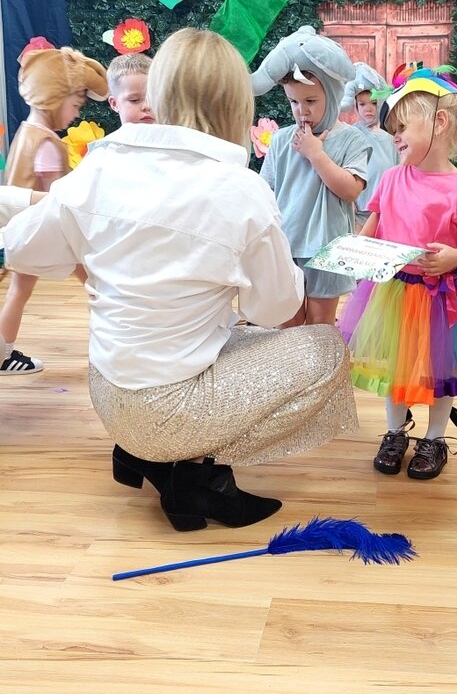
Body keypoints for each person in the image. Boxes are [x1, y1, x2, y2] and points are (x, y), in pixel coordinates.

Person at [4, 28, 358, 531]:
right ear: (235, 102)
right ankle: (195, 475)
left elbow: (22, 248)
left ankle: (153, 458)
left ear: (158, 91)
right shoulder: (240, 189)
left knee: (229, 335)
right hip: (167, 409)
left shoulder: (100, 164)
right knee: (325, 350)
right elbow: (277, 311)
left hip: (106, 389)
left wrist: (81, 221)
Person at [339, 66, 457, 480]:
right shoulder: (392, 179)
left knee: (440, 370)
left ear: (439, 123)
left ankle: (435, 438)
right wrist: (357, 251)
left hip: (440, 297)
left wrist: (452, 258)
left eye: (402, 127)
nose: (395, 136)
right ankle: (395, 432)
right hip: (394, 291)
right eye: (393, 129)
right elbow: (374, 224)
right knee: (396, 365)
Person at [0, 47, 108, 374]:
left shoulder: (26, 132)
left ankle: (3, 353)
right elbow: (57, 198)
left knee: (20, 292)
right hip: (44, 233)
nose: (76, 115)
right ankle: (113, 347)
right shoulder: (47, 143)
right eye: (75, 105)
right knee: (99, 286)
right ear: (55, 98)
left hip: (22, 233)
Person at [254, 26, 370, 327]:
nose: (301, 111)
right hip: (285, 247)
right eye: (294, 102)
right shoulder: (281, 140)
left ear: (332, 95)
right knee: (288, 325)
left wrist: (316, 154)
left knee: (320, 326)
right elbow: (265, 192)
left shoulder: (352, 140)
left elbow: (351, 191)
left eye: (311, 101)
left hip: (328, 249)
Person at [340, 62, 397, 233]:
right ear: (355, 105)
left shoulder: (391, 138)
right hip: (359, 211)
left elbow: (398, 171)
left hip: (385, 210)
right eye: (362, 104)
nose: (368, 109)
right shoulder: (350, 134)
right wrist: (350, 201)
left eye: (373, 103)